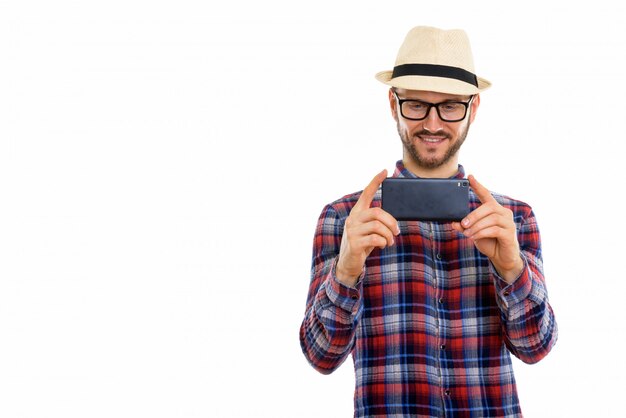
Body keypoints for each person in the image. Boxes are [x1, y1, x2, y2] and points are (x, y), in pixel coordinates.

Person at [299, 26, 558, 417]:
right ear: (393, 103)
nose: (433, 124)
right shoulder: (345, 220)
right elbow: (321, 356)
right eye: (416, 105)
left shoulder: (513, 220)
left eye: (450, 105)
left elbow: (535, 348)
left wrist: (511, 267)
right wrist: (347, 270)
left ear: (473, 108)